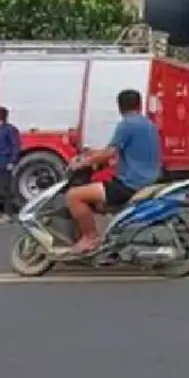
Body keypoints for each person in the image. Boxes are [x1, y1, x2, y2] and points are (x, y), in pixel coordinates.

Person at [65, 89, 161, 254]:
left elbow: (109, 152)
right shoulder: (148, 124)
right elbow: (124, 153)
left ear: (119, 106)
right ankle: (110, 236)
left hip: (130, 183)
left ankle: (90, 236)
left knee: (74, 195)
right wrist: (92, 155)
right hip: (149, 179)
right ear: (140, 104)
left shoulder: (127, 124)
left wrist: (82, 163)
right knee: (99, 201)